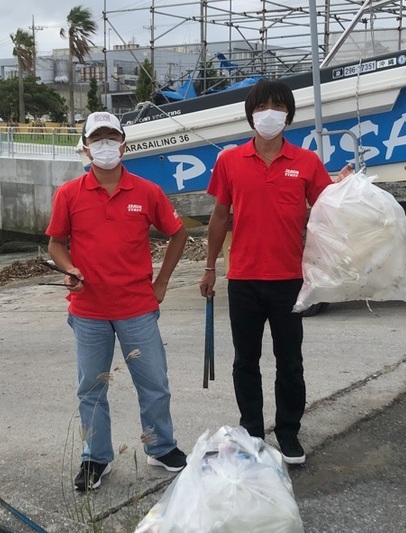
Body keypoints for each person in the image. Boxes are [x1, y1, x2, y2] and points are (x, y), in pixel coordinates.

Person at [199, 79, 349, 465]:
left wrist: (343, 187)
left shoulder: (306, 162)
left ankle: (288, 432)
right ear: (251, 114)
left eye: (278, 107)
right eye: (262, 106)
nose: (270, 113)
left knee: (290, 362)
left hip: (289, 281)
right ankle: (251, 430)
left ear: (289, 115)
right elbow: (220, 216)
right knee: (244, 361)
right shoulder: (230, 161)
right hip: (243, 279)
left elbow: (327, 208)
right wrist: (210, 267)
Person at [47, 111, 190, 491]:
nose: (105, 145)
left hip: (137, 307)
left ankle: (160, 446)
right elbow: (56, 243)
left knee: (154, 383)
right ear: (86, 148)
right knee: (91, 388)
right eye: (97, 139)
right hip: (88, 311)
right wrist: (70, 268)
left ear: (124, 145)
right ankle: (96, 457)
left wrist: (162, 282)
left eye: (111, 138)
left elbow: (177, 234)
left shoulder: (147, 191)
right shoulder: (68, 194)